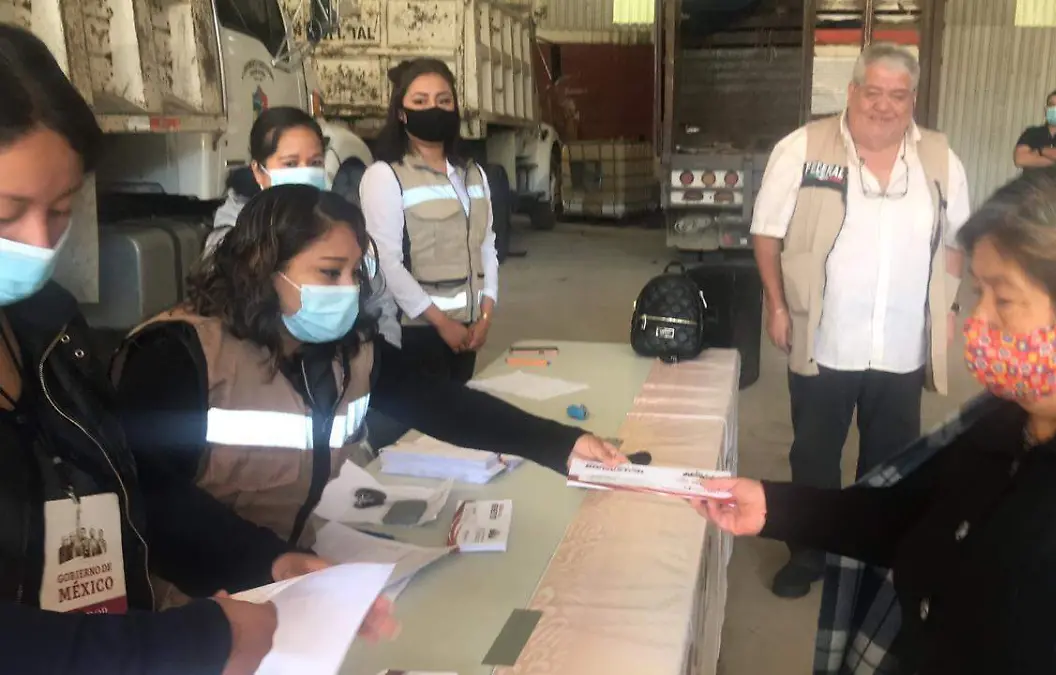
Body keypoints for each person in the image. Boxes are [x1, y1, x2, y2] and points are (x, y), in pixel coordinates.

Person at [697, 163, 1056, 674]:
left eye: (1005, 299)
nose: (978, 322)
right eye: (979, 292)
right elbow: (913, 520)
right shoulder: (1005, 420)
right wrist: (774, 506)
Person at [0, 25, 393, 675]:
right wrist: (187, 642)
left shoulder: (48, 332)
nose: (39, 243)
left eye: (61, 209)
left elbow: (136, 491)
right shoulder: (181, 350)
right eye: (7, 213)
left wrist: (262, 560)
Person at [110, 184, 625, 607]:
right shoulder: (179, 356)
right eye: (329, 272)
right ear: (262, 268)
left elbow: (439, 403)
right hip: (189, 599)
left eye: (355, 273)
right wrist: (265, 562)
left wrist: (558, 443)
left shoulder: (345, 351)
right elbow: (148, 498)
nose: (348, 289)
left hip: (290, 581)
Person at [749, 42, 969, 598]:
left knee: (891, 459)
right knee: (814, 454)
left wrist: (947, 309)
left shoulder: (940, 158)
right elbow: (767, 233)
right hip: (823, 337)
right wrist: (777, 305)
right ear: (852, 91)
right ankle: (810, 554)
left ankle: (874, 553)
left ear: (912, 99)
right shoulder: (803, 148)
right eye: (873, 92)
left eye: (898, 95)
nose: (884, 106)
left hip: (902, 342)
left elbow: (954, 243)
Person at [359, 58, 500, 385]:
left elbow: (487, 245)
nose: (433, 109)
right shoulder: (385, 175)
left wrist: (486, 314)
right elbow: (386, 263)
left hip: (469, 330)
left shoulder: (473, 173)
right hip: (415, 333)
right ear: (401, 112)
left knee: (457, 409)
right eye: (420, 101)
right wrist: (441, 323)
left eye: (443, 100)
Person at [205, 106, 328, 256]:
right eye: (290, 164)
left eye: (315, 163)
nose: (306, 174)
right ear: (258, 171)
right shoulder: (230, 239)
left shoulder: (333, 224)